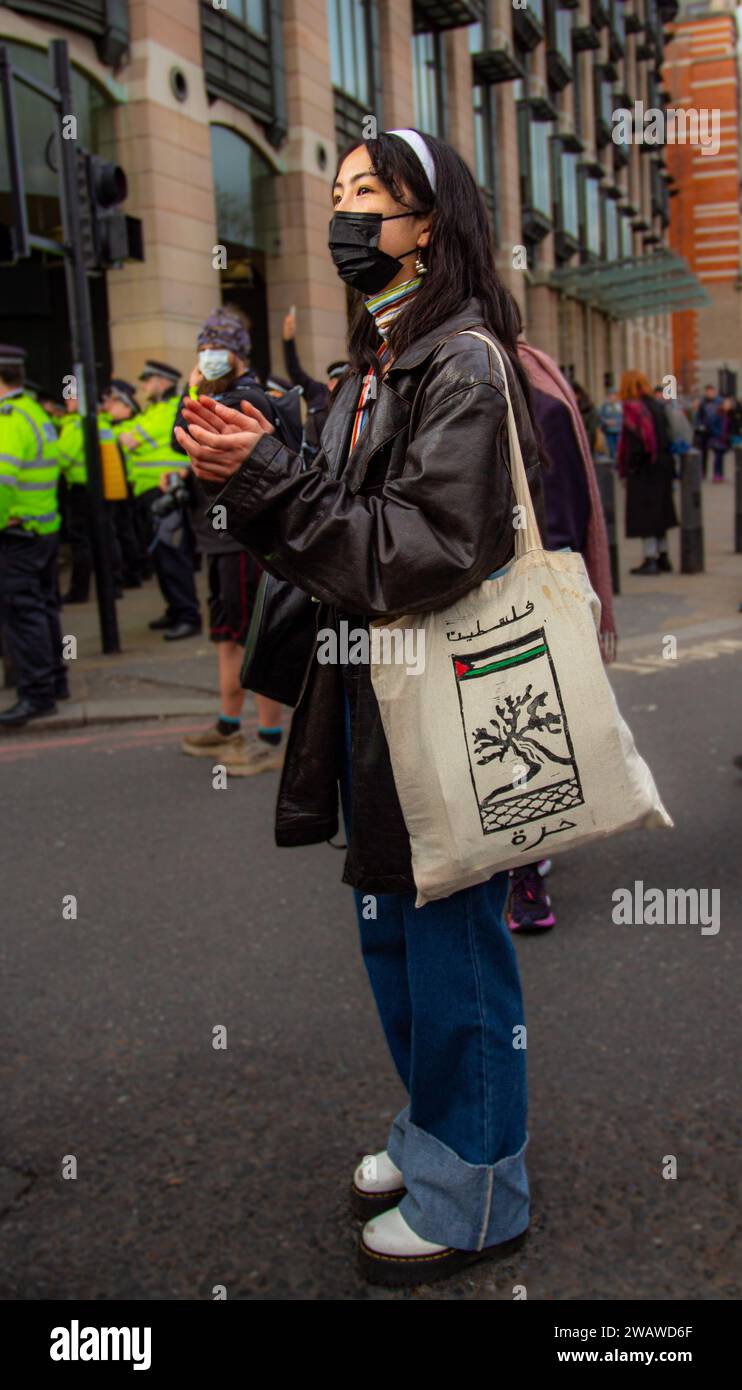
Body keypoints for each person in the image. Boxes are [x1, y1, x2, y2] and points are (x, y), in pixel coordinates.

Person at [175, 128, 545, 1287]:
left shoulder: (462, 363)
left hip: (437, 694)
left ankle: (480, 1189)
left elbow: (424, 548)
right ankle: (434, 1133)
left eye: (366, 197)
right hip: (375, 703)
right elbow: (322, 518)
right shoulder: (378, 360)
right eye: (333, 194)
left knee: (452, 954)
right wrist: (247, 468)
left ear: (427, 222)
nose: (342, 216)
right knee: (396, 942)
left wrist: (275, 480)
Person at [512, 342, 618, 934]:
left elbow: (564, 518)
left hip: (522, 595)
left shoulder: (539, 402)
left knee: (519, 732)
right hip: (452, 591)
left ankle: (525, 873)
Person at [173, 307, 285, 773]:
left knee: (256, 638)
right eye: (202, 348)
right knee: (227, 638)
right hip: (219, 538)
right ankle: (227, 724)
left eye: (215, 349)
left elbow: (180, 435)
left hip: (244, 540)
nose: (206, 356)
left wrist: (192, 389)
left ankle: (270, 739)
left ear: (237, 354)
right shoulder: (229, 393)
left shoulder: (246, 398)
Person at [0, 344, 67, 727]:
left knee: (24, 616)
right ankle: (55, 682)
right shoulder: (34, 412)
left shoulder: (8, 419)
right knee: (43, 610)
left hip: (19, 532)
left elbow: (2, 483)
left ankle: (37, 695)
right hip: (44, 528)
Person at [120, 360, 201, 640]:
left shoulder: (168, 410)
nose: (143, 386)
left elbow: (128, 440)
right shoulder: (152, 411)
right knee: (160, 556)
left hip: (165, 492)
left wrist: (130, 438)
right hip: (147, 494)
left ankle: (189, 615)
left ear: (162, 381)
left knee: (172, 555)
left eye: (147, 380)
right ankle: (175, 610)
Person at [56, 389, 122, 603]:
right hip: (103, 488)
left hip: (81, 490)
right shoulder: (103, 423)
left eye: (70, 397)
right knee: (106, 537)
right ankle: (114, 585)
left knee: (81, 542)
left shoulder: (76, 425)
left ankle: (79, 590)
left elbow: (61, 457)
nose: (66, 401)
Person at [617, 370, 678, 575]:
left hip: (645, 468)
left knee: (646, 516)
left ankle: (650, 559)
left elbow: (636, 444)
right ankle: (664, 556)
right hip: (663, 465)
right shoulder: (657, 406)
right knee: (661, 513)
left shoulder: (633, 408)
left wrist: (629, 468)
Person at [282, 309, 348, 460]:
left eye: (344, 381)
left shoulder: (355, 399)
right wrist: (288, 341)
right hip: (314, 464)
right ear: (330, 382)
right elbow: (294, 371)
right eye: (335, 380)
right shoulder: (318, 392)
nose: (336, 385)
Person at [100, 378, 147, 588]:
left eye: (112, 402)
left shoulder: (126, 429)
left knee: (126, 532)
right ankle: (137, 570)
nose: (107, 406)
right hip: (128, 486)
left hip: (128, 486)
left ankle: (133, 572)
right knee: (129, 531)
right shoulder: (119, 426)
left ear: (126, 405)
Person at [693, 384, 721, 479]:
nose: (709, 393)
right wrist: (699, 425)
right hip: (705, 430)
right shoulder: (702, 403)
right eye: (708, 391)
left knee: (718, 452)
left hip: (715, 429)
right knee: (704, 453)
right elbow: (698, 416)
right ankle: (703, 472)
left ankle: (717, 473)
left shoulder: (719, 402)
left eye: (711, 391)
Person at [572, 382, 600, 454]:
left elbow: (592, 432)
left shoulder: (589, 409)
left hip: (584, 450)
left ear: (578, 394)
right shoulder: (566, 408)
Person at [598, 389, 622, 462]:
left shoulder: (621, 405)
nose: (612, 397)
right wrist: (606, 421)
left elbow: (624, 417)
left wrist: (617, 422)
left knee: (619, 448)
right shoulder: (605, 406)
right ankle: (613, 461)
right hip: (609, 431)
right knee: (611, 448)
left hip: (619, 430)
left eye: (614, 395)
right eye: (610, 396)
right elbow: (600, 416)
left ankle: (618, 461)